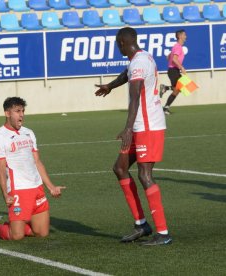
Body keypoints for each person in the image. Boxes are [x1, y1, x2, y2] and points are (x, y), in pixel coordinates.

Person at [94, 27, 172, 245]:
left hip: (147, 127)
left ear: (121, 43)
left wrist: (128, 128)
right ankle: (141, 224)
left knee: (145, 175)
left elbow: (136, 97)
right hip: (140, 126)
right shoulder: (141, 57)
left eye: (116, 43)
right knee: (120, 168)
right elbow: (127, 75)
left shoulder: (138, 62)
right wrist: (110, 85)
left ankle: (163, 233)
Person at [0, 97, 66, 240]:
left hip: (37, 187)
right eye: (17, 111)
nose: (21, 115)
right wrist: (5, 194)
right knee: (17, 236)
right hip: (18, 189)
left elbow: (37, 162)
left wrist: (50, 187)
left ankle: (16, 223)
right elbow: (1, 169)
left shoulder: (29, 132)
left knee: (42, 233)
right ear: (7, 113)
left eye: (23, 111)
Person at [159, 29, 187, 115]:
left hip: (174, 70)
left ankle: (166, 89)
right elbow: (174, 59)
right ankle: (165, 108)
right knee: (181, 88)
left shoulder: (176, 46)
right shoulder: (178, 47)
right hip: (174, 71)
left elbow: (168, 57)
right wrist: (181, 67)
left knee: (181, 88)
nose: (186, 37)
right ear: (180, 36)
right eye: (184, 35)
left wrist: (177, 65)